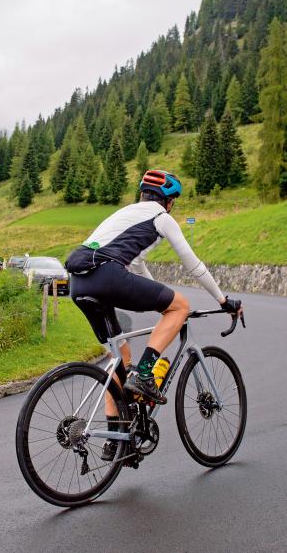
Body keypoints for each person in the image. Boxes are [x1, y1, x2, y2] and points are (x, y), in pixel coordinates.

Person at [65, 169, 243, 460]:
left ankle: (116, 439)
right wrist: (223, 301)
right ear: (169, 201)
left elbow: (135, 267)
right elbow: (193, 265)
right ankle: (145, 373)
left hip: (79, 283)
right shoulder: (161, 218)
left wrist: (159, 293)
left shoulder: (126, 214)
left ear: (142, 195)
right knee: (180, 306)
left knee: (118, 360)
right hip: (107, 277)